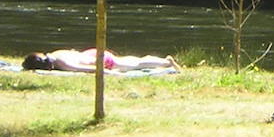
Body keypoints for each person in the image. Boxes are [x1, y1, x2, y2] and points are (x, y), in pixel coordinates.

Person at [22, 49, 178, 73]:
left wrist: (109, 73)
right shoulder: (55, 53)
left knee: (135, 65)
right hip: (92, 52)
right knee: (133, 60)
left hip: (99, 60)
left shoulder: (61, 62)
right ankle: (164, 60)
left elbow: (83, 69)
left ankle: (166, 63)